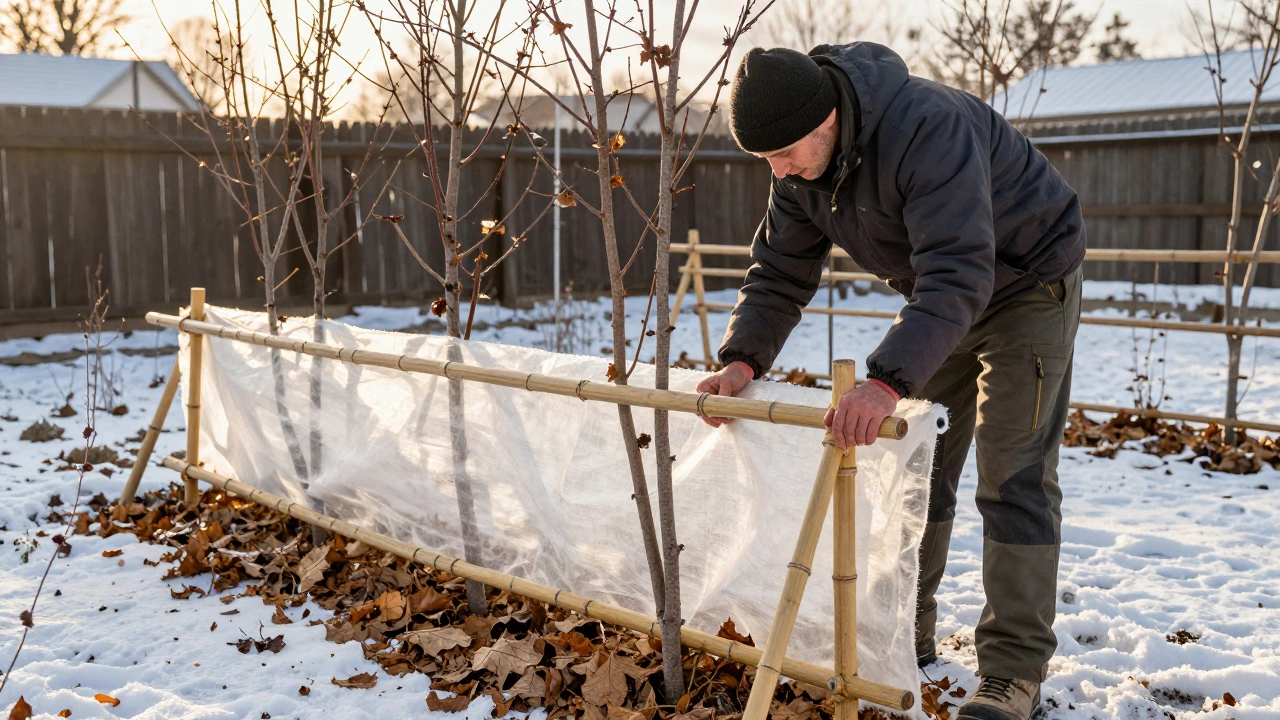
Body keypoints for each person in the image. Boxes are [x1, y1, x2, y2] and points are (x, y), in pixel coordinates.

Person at [694, 43, 1084, 720]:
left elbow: (963, 269)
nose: (779, 171)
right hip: (943, 296)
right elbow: (781, 272)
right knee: (920, 465)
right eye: (766, 161)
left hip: (1026, 284)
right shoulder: (798, 168)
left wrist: (885, 381)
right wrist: (742, 360)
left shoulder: (927, 128)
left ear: (829, 119)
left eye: (785, 153)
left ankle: (1013, 671)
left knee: (1012, 472)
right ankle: (907, 630)